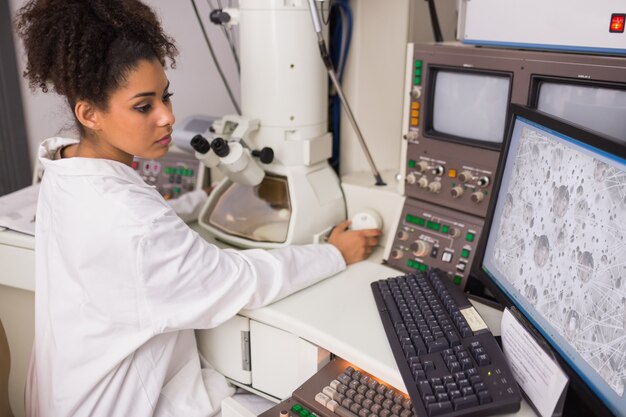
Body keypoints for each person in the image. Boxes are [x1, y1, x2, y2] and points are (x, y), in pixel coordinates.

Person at [14, 1, 381, 416]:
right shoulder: (132, 223)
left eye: (165, 96)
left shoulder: (65, 168)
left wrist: (198, 201)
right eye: (143, 106)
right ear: (89, 113)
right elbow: (237, 278)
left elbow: (133, 230)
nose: (168, 116)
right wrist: (334, 253)